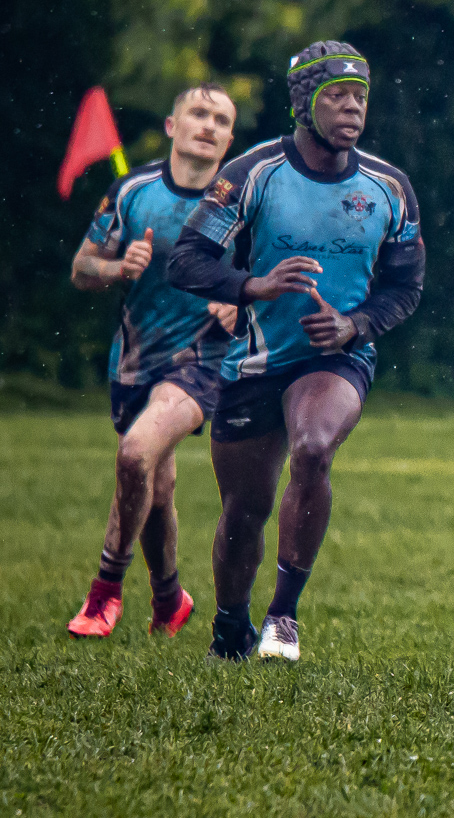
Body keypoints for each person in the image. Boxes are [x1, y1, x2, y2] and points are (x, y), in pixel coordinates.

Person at [168, 40, 426, 663]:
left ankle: (283, 617)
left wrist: (355, 326)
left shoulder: (390, 187)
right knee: (243, 512)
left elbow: (406, 286)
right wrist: (250, 285)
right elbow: (185, 259)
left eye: (360, 97)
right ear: (304, 104)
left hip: (333, 359)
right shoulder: (251, 175)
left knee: (313, 448)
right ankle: (230, 626)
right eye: (335, 95)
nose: (351, 109)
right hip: (254, 361)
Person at [64, 83, 239, 639]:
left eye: (220, 119)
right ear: (172, 126)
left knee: (135, 453)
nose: (208, 125)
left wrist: (242, 301)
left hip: (202, 362)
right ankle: (169, 600)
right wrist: (120, 268)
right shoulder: (134, 190)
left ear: (230, 139)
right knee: (154, 488)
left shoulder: (241, 203)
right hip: (134, 362)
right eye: (198, 113)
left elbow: (273, 280)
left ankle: (103, 594)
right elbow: (82, 268)